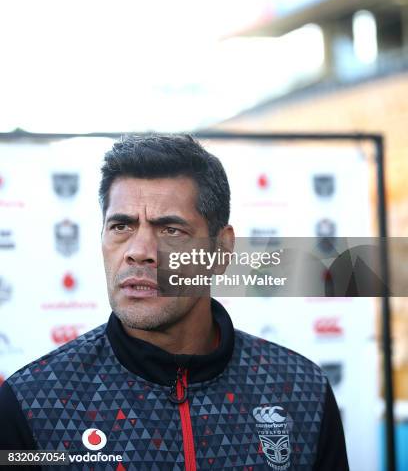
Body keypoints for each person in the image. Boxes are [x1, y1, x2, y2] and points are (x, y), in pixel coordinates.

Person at [0, 134, 349, 470]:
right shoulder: (32, 402)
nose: (139, 252)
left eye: (171, 230)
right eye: (121, 226)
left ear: (223, 250)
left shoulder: (302, 391)